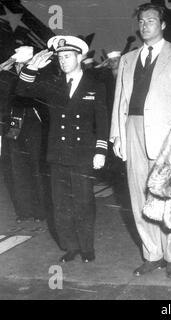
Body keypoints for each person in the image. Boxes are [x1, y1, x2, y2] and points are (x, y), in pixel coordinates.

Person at [110, 2, 171, 278]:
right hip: (133, 129)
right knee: (138, 195)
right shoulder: (127, 59)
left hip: (167, 133)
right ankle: (152, 254)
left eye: (151, 21)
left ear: (163, 25)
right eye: (142, 21)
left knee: (168, 196)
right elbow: (119, 100)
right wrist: (117, 135)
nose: (145, 25)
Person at [16, 35, 108, 263]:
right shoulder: (54, 84)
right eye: (60, 57)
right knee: (61, 204)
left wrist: (101, 150)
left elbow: (102, 120)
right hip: (57, 152)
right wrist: (31, 67)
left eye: (68, 56)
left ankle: (87, 247)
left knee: (83, 202)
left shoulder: (95, 85)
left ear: (80, 56)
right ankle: (71, 246)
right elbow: (23, 90)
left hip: (82, 153)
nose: (63, 61)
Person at [0, 47, 50, 223]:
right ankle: (24, 212)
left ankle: (41, 212)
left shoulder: (39, 78)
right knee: (18, 172)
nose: (19, 68)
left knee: (36, 170)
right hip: (14, 128)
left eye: (23, 64)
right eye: (18, 65)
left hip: (33, 127)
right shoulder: (9, 79)